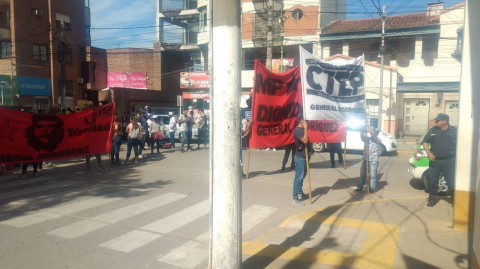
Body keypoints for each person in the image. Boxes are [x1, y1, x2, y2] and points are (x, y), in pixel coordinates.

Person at [423, 113, 457, 207]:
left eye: (438, 120)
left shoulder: (454, 131)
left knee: (451, 180)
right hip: (435, 160)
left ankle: (454, 199)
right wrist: (428, 153)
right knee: (432, 180)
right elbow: (425, 142)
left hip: (449, 161)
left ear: (444, 121)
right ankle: (432, 199)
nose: (436, 122)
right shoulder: (433, 130)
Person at [353, 126, 382, 194]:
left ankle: (372, 189)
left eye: (375, 132)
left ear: (377, 133)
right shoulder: (367, 139)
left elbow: (374, 136)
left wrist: (370, 130)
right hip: (366, 160)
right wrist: (362, 130)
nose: (375, 133)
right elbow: (362, 137)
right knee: (362, 175)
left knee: (373, 176)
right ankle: (360, 188)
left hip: (373, 161)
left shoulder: (378, 139)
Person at [292, 118, 311, 206]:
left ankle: (300, 193)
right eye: (306, 122)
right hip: (300, 158)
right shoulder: (298, 130)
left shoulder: (302, 129)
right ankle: (295, 197)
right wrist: (306, 128)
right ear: (302, 121)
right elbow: (305, 140)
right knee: (299, 178)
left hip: (304, 157)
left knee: (302, 177)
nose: (307, 123)